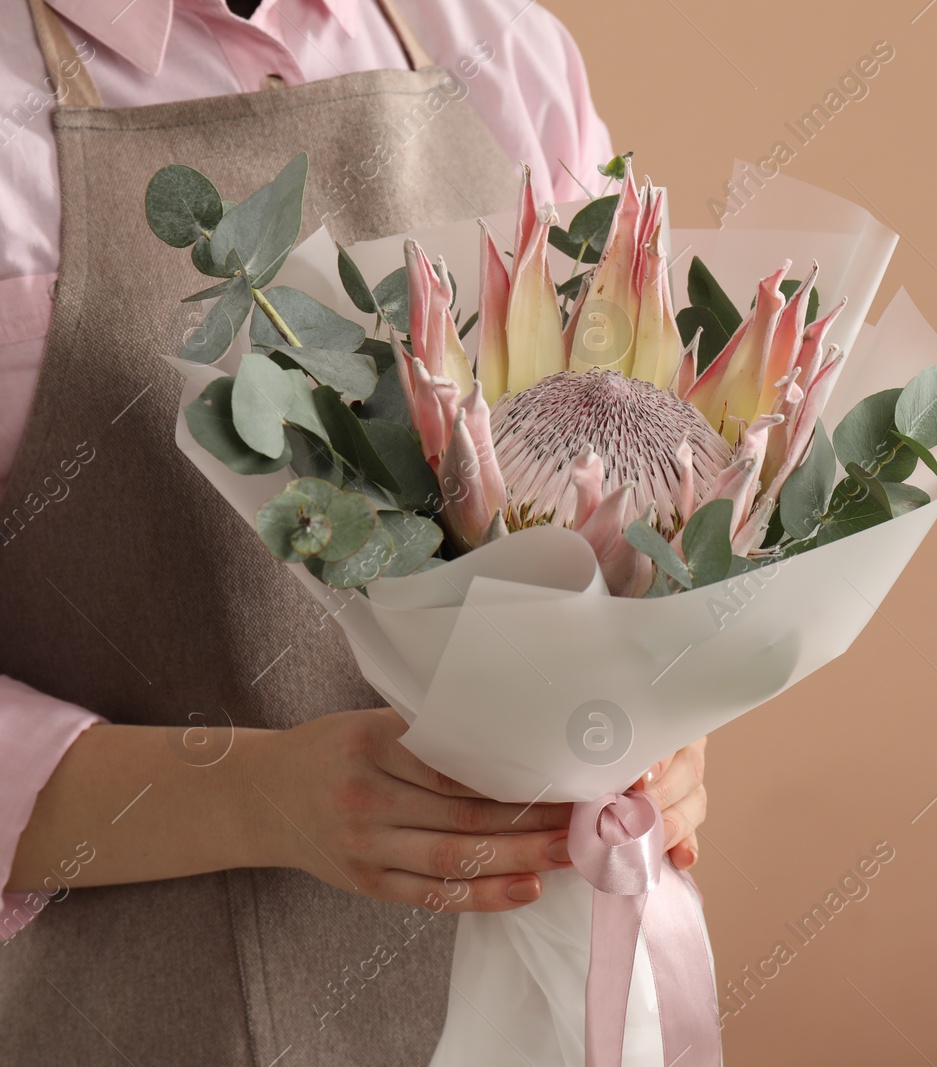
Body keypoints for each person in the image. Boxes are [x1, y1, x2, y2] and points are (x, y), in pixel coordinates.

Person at [0, 1, 709, 1064]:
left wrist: (670, 721)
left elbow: (640, 467)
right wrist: (254, 797)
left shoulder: (497, 43)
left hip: (558, 977)